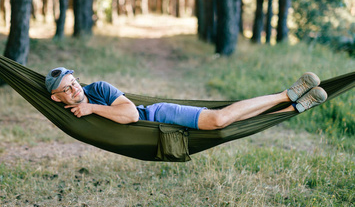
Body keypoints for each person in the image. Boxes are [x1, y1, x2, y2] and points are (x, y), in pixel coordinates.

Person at [45, 67, 328, 130]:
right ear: (56, 99)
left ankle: (284, 95)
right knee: (227, 126)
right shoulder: (64, 114)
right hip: (155, 135)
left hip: (158, 116)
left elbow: (131, 115)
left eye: (74, 83)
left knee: (220, 119)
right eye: (67, 90)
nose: (75, 90)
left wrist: (90, 107)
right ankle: (292, 108)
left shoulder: (99, 90)